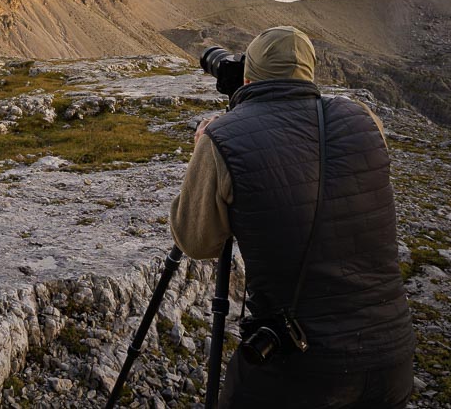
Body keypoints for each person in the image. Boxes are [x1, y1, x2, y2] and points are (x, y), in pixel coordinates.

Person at [170, 26, 415, 408]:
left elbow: (197, 242)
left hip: (302, 364)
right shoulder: (365, 119)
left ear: (248, 76)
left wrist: (205, 147)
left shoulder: (223, 138)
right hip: (392, 356)